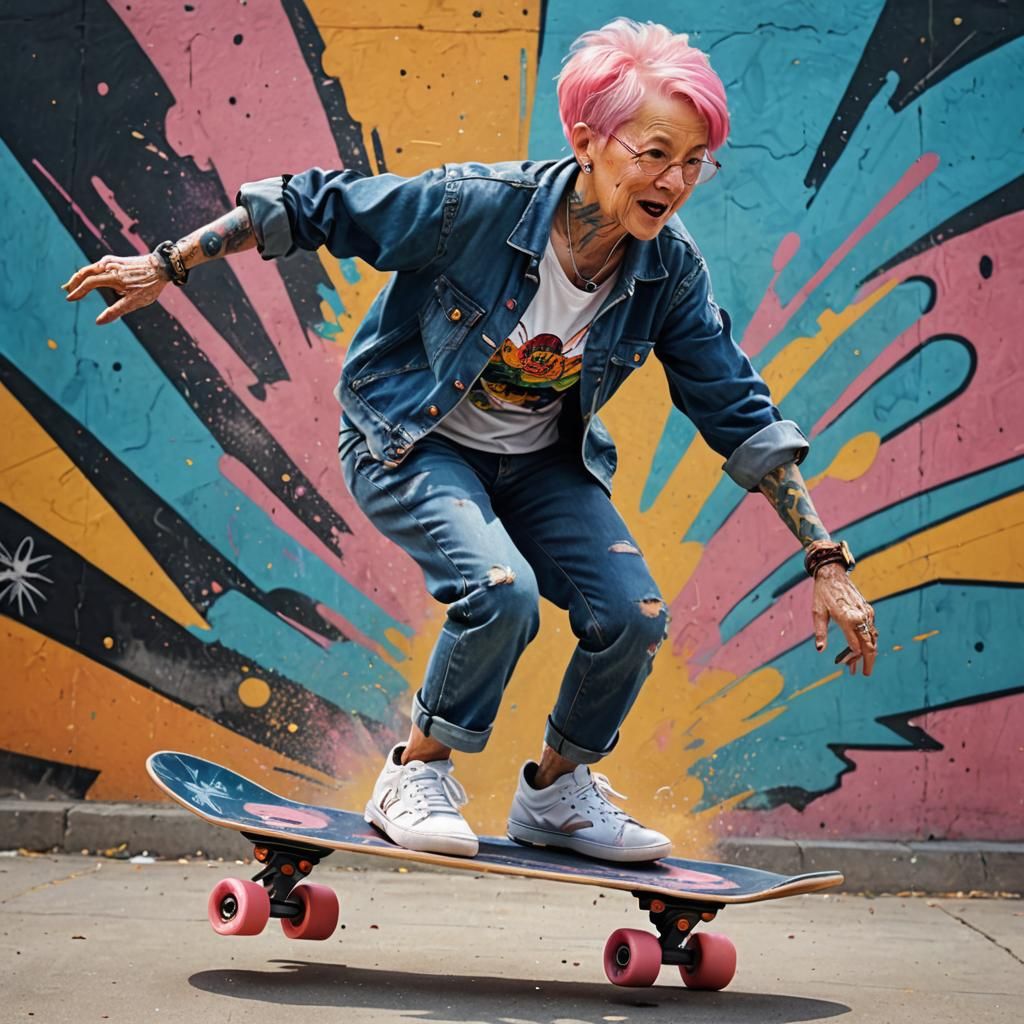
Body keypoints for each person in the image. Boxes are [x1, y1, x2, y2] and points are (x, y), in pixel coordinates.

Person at [62, 18, 878, 863]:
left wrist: (825, 560)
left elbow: (737, 408)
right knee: (502, 593)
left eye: (694, 161)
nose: (674, 180)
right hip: (413, 441)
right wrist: (167, 263)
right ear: (588, 140)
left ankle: (558, 793)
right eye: (655, 152)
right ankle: (414, 772)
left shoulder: (669, 270)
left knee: (632, 616)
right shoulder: (474, 209)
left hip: (539, 467)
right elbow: (313, 206)